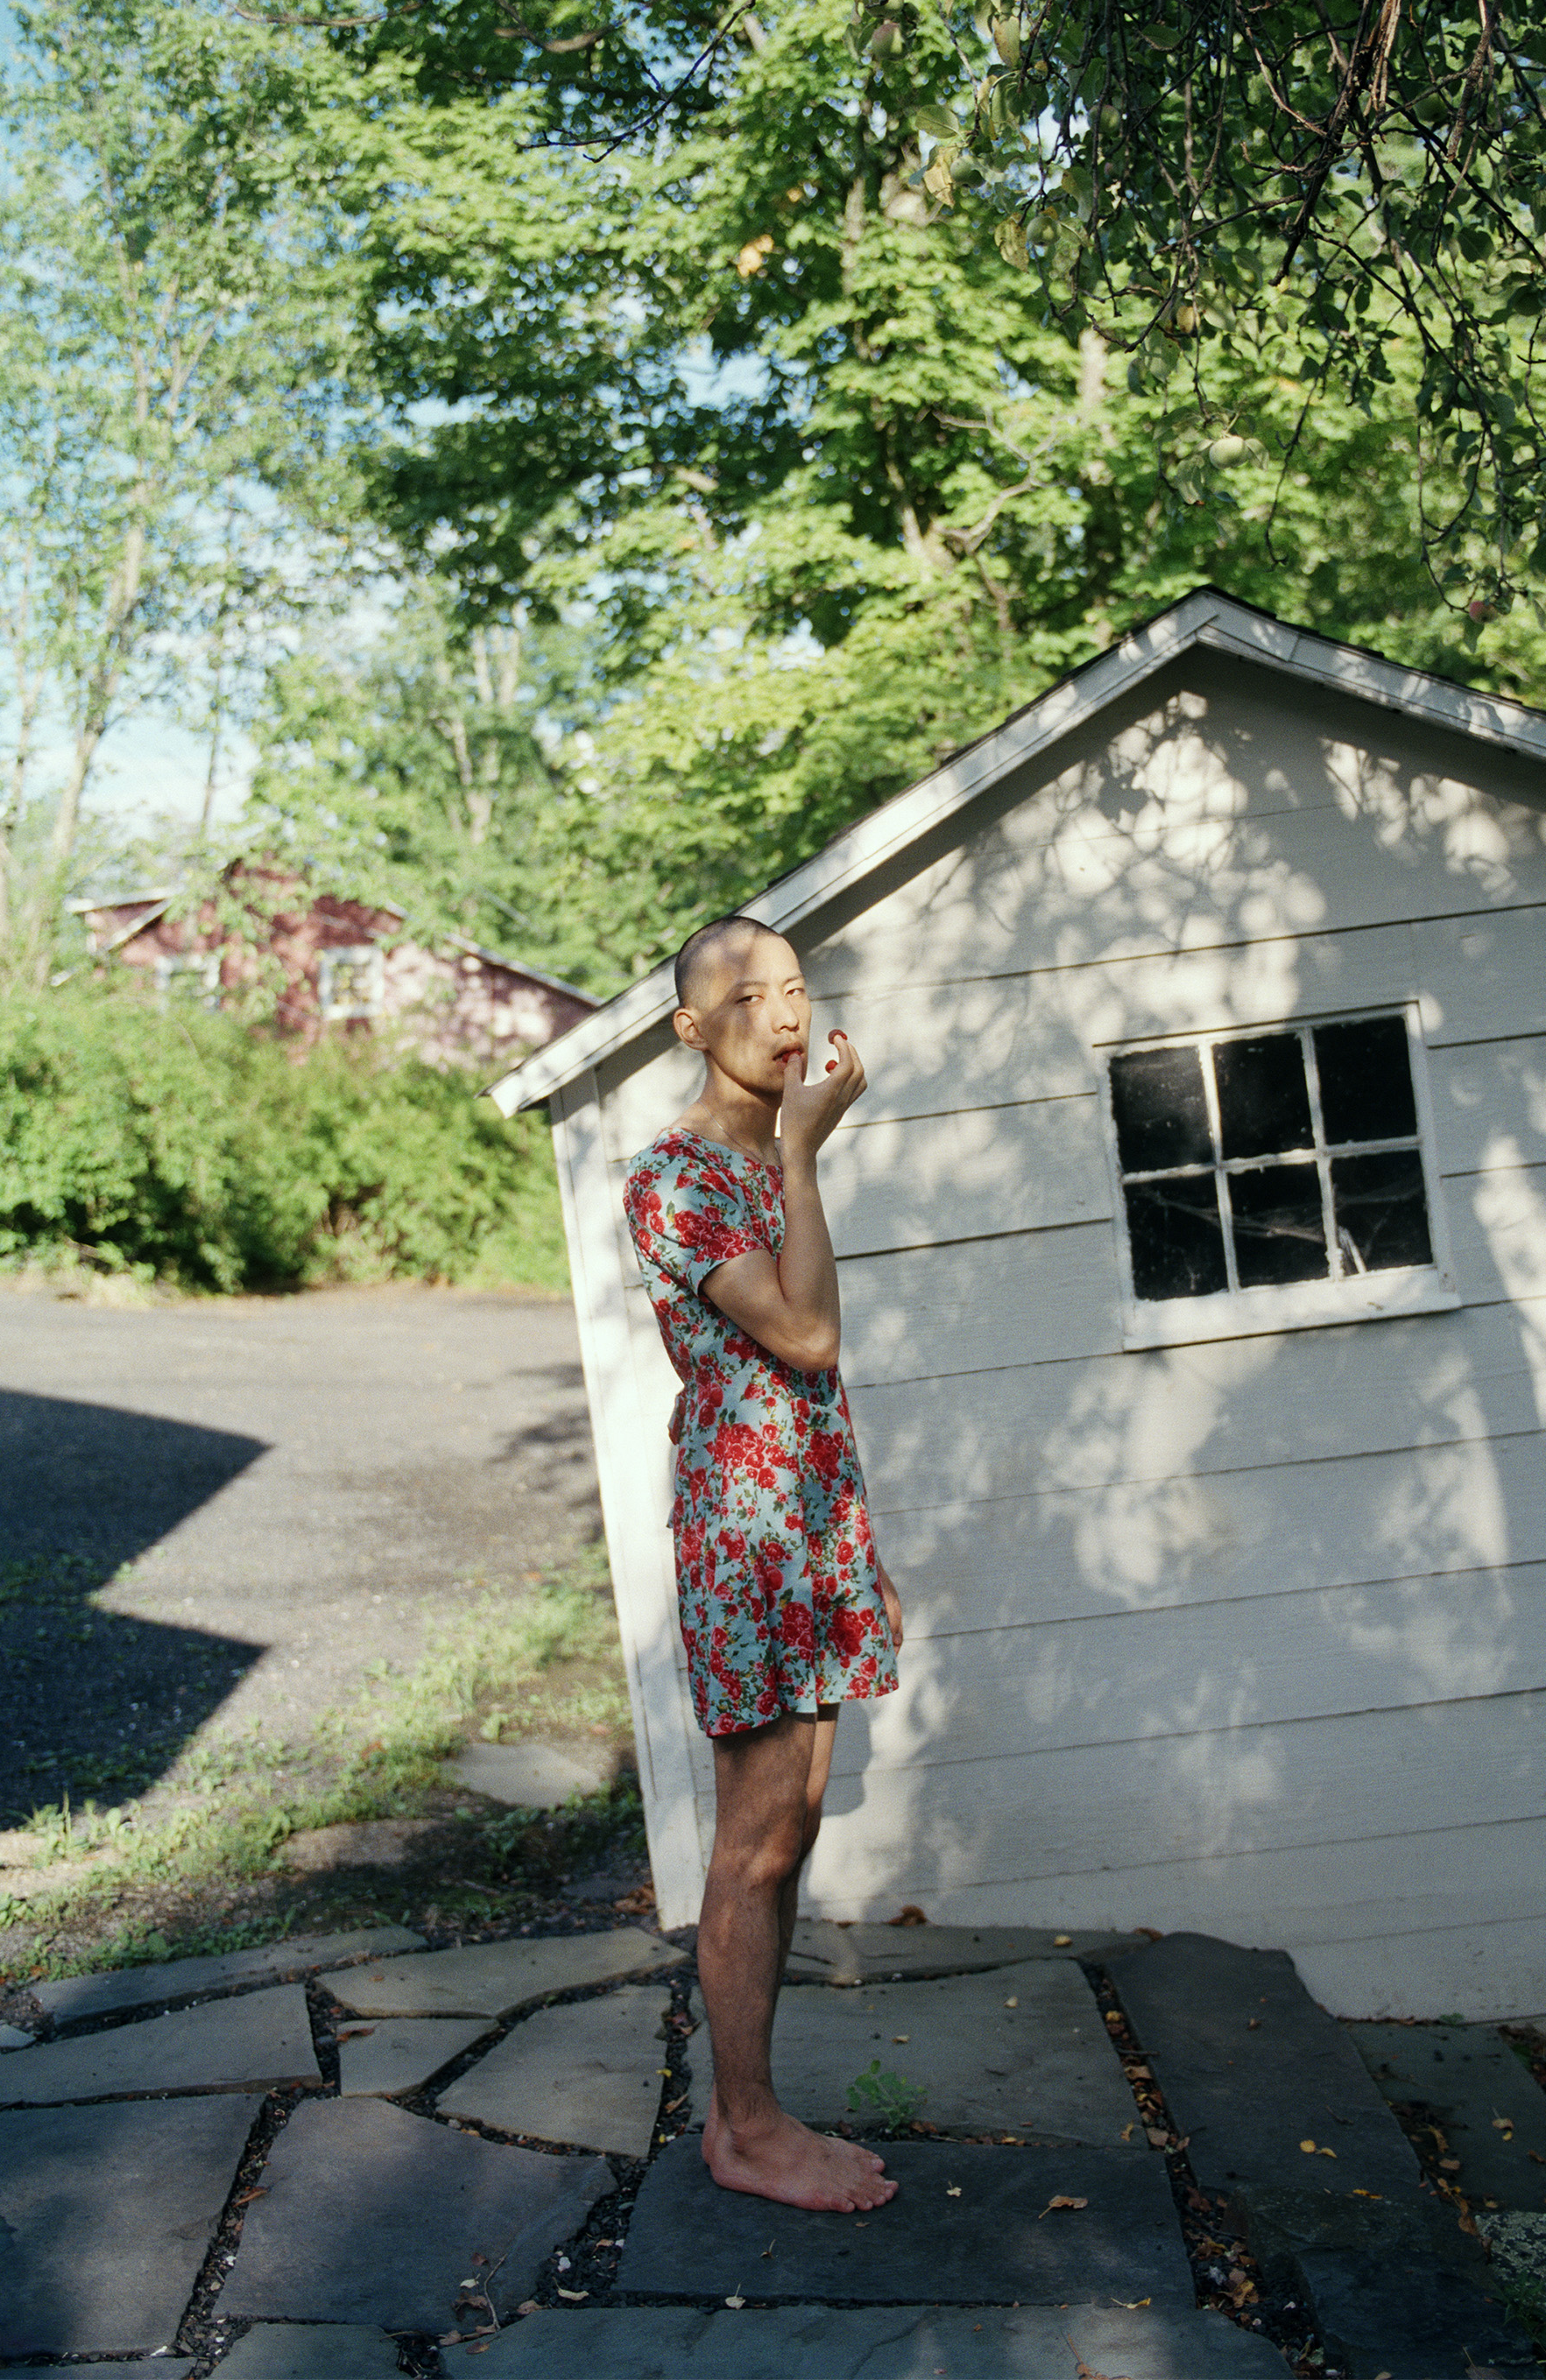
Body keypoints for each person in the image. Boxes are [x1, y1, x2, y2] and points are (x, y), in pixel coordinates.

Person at [622, 912, 905, 2213]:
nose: (784, 1016)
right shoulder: (675, 1177)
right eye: (748, 997)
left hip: (811, 1527)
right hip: (745, 1539)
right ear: (692, 1027)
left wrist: (862, 1548)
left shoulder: (765, 1163)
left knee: (788, 1834)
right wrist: (802, 1147)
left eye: (796, 990)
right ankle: (742, 2128)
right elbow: (803, 1335)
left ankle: (755, 2111)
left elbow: (806, 1392)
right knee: (752, 1843)